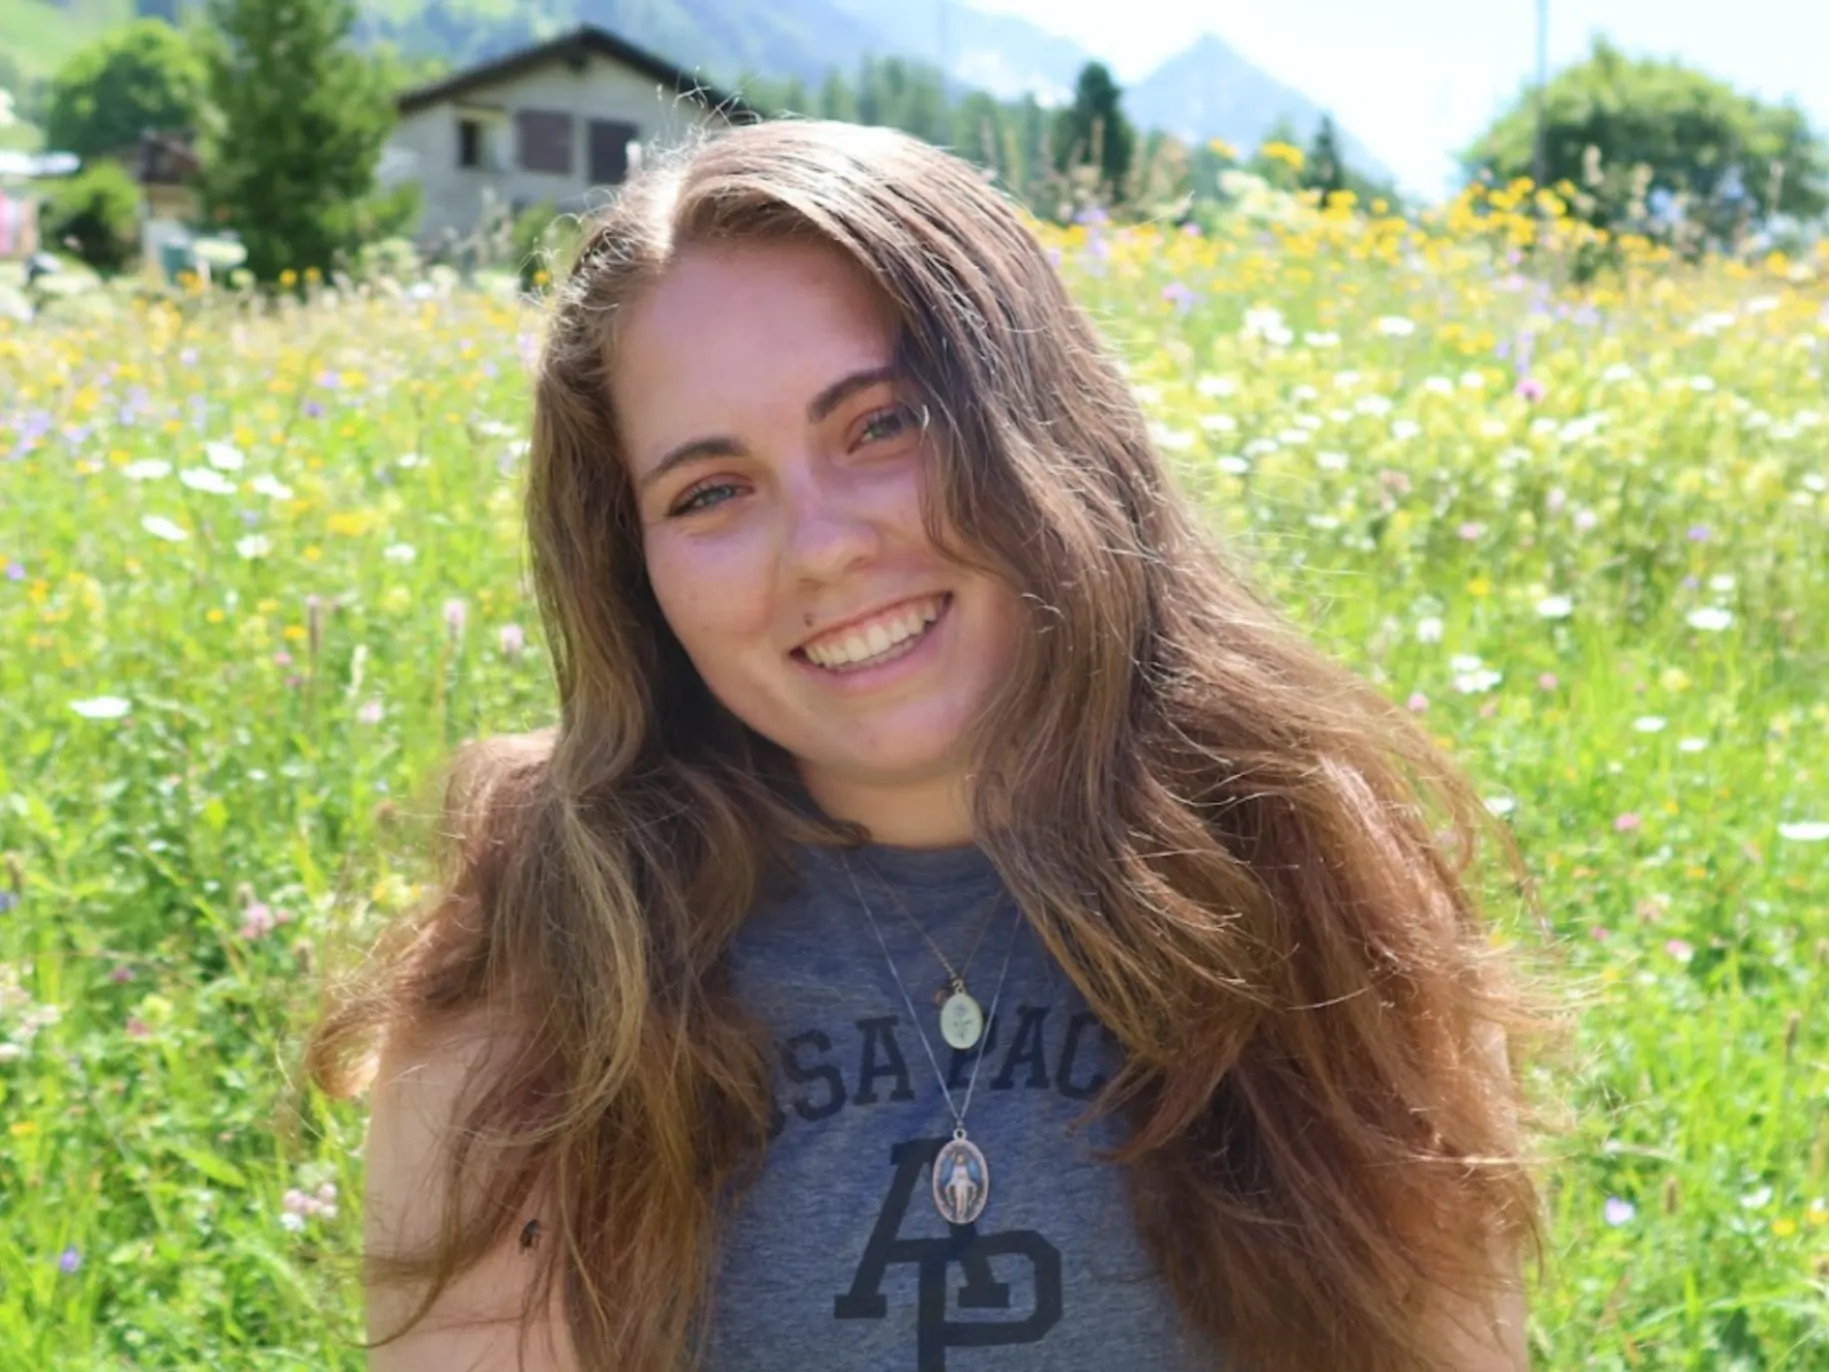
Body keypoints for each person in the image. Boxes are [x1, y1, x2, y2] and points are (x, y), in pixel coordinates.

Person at [307, 118, 1556, 1371]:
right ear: (631, 570)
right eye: (710, 492)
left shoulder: (1315, 867)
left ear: (1043, 421)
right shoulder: (543, 941)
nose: (824, 545)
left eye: (881, 424)